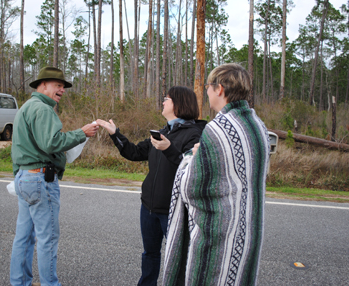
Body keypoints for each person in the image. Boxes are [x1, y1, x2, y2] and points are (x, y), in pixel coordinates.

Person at [162, 63, 271, 286]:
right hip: (248, 230)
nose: (207, 93)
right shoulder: (257, 124)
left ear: (219, 89)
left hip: (220, 235)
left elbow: (192, 187)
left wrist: (190, 159)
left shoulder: (218, 129)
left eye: (208, 87)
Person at [97, 86, 207, 286]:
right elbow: (134, 153)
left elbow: (193, 170)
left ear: (179, 103)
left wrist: (169, 150)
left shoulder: (196, 135)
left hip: (174, 211)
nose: (163, 102)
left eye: (166, 99)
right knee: (150, 254)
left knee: (178, 260)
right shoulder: (163, 131)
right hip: (148, 207)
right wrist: (115, 134)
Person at [10, 66, 99, 286]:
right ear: (42, 85)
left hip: (24, 177)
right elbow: (52, 143)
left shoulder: (26, 107)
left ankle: (19, 282)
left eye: (63, 86)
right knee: (47, 239)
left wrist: (18, 176)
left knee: (23, 237)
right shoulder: (42, 109)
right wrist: (82, 133)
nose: (62, 90)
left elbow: (18, 146)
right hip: (40, 179)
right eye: (58, 85)